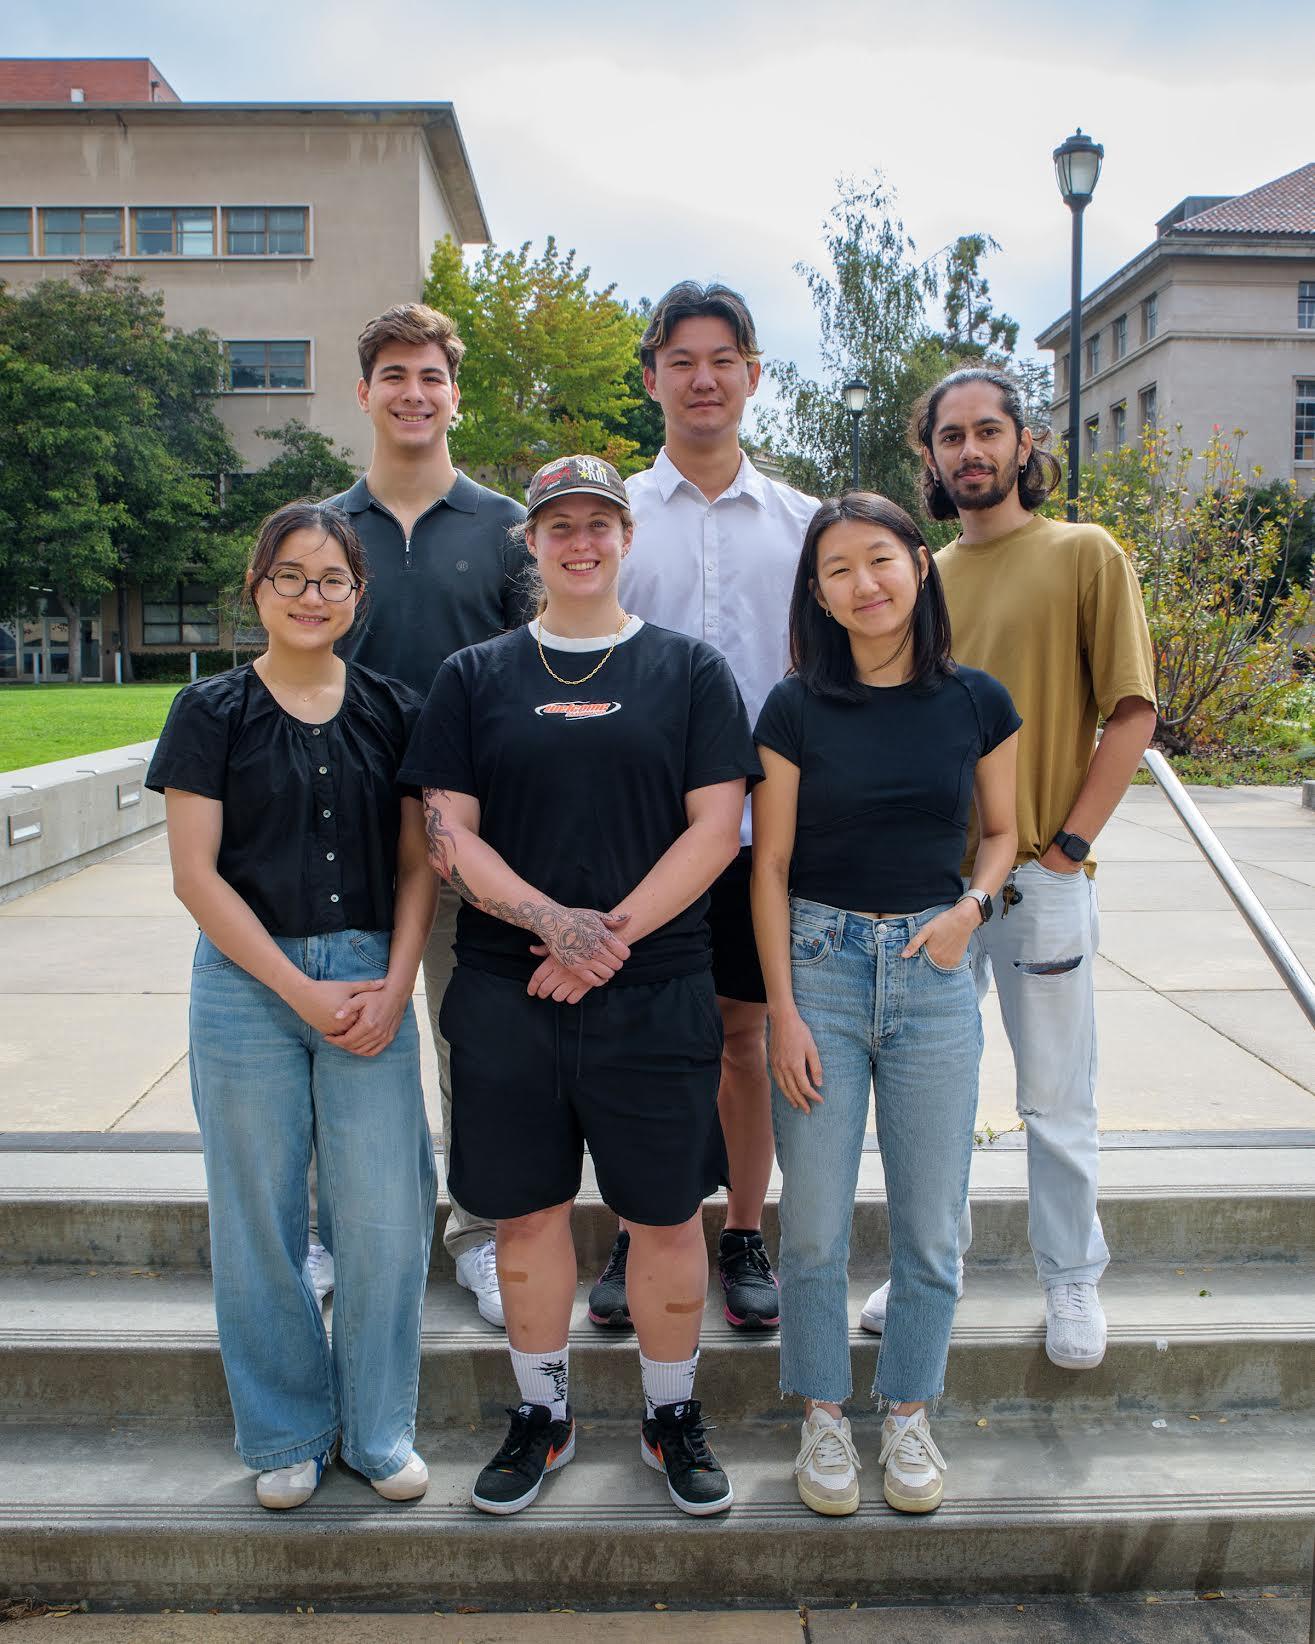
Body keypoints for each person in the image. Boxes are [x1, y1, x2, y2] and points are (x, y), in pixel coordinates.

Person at [398, 454, 760, 1518]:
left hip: (657, 992)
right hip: (512, 993)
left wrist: (608, 937)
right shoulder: (475, 676)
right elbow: (446, 833)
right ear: (534, 543)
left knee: (663, 1219)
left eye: (600, 523)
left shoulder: (689, 672)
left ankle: (668, 1412)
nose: (581, 541)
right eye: (560, 525)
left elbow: (715, 827)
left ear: (626, 538)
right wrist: (552, 925)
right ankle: (543, 1414)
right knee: (524, 1221)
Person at [859, 366, 1157, 1371]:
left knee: (1054, 1097)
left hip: (1040, 880)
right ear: (931, 455)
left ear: (1023, 443)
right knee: (926, 1100)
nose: (971, 451)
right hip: (933, 894)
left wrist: (1069, 846)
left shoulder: (1083, 554)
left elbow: (1131, 710)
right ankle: (924, 1264)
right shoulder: (924, 576)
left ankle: (1070, 1277)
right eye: (952, 437)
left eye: (989, 431)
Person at [147, 501, 436, 1510]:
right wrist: (295, 987)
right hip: (247, 987)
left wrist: (396, 982)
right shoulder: (209, 713)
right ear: (256, 589)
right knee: (258, 1217)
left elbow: (414, 868)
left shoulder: (396, 707)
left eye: (332, 579)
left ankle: (377, 1426)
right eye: (291, 577)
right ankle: (284, 1430)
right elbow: (195, 876)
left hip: (369, 979)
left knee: (384, 1215)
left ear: (358, 595)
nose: (312, 596)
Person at [753, 492, 1019, 1516]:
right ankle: (822, 1416)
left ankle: (907, 1414)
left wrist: (970, 908)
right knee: (814, 1227)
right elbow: (766, 864)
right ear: (814, 592)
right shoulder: (793, 707)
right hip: (817, 964)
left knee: (930, 1228)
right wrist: (780, 1008)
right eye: (837, 570)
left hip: (932, 971)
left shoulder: (975, 701)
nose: (862, 585)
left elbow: (1000, 832)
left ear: (917, 562)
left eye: (879, 560)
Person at [588, 280, 817, 1335]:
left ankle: (739, 1231)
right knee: (634, 1037)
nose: (703, 378)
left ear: (753, 375)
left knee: (743, 1036)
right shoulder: (612, 522)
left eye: (723, 358)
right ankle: (639, 1230)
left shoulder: (805, 528)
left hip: (763, 834)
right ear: (651, 380)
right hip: (640, 828)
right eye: (681, 360)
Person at [317, 301, 528, 1329]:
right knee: (340, 1035)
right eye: (393, 374)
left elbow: (533, 686)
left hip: (466, 844)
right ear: (364, 394)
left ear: (455, 393)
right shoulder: (322, 532)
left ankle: (479, 1233)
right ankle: (344, 1230)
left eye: (430, 375)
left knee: (469, 1040)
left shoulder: (505, 531)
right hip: (338, 835)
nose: (413, 392)